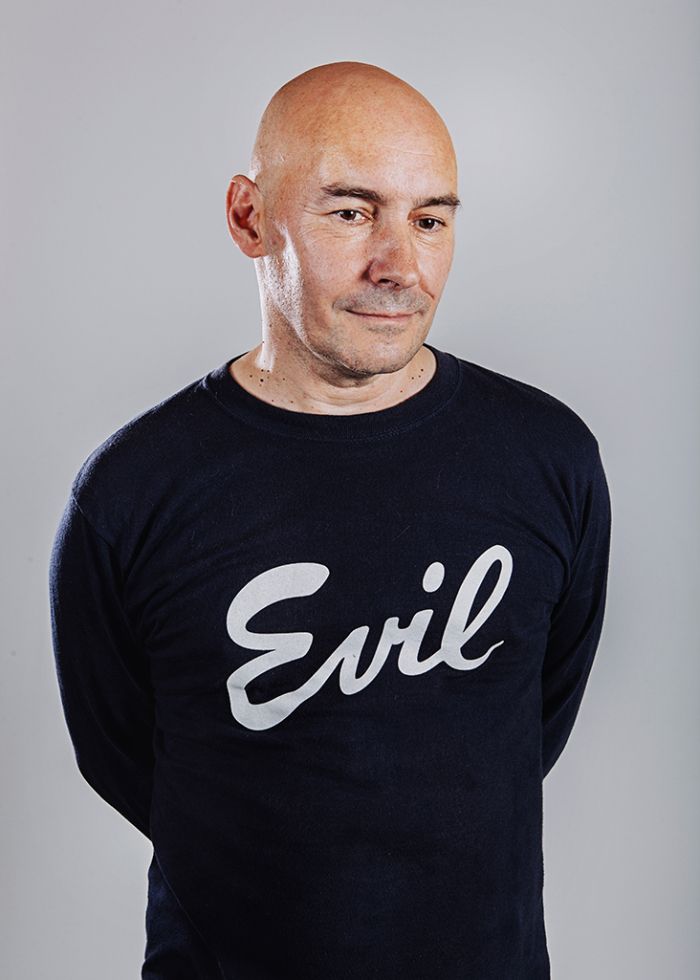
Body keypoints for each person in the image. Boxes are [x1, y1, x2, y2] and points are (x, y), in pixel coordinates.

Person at [48, 60, 612, 979]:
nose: (399, 266)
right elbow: (126, 756)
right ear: (249, 217)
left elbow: (531, 726)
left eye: (430, 220)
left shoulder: (548, 458)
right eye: (351, 212)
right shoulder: (134, 490)